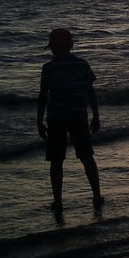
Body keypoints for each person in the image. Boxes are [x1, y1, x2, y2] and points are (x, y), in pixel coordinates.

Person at [37, 28, 103, 210]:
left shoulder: (48, 68)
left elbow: (43, 97)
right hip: (78, 116)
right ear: (71, 45)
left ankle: (58, 201)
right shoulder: (82, 65)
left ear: (51, 48)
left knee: (56, 161)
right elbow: (91, 93)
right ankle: (97, 195)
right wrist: (96, 115)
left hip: (55, 117)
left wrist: (39, 121)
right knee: (86, 157)